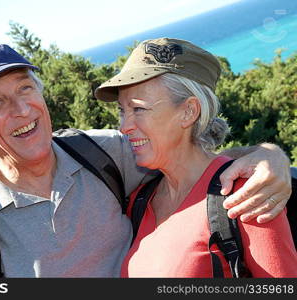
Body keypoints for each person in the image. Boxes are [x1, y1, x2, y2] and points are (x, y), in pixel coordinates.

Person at [0, 44, 291, 277]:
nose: (21, 109)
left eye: (25, 88)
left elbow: (193, 160)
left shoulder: (105, 156)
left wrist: (268, 156)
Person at [94, 37, 297, 277]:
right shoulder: (140, 202)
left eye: (138, 108)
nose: (124, 126)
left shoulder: (244, 195)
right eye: (122, 110)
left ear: (189, 111)